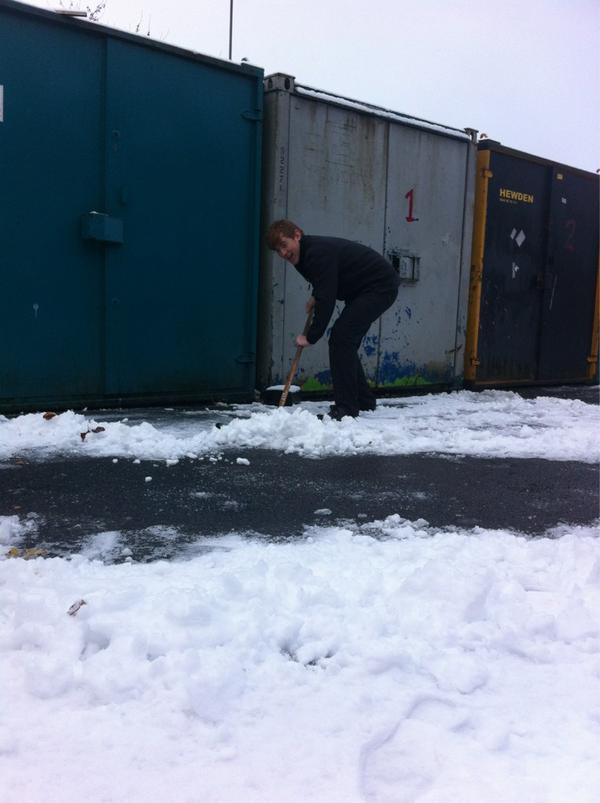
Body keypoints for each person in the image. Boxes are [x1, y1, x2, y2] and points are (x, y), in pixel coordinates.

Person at [266, 220, 400, 420]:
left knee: (341, 338)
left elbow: (327, 299)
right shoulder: (302, 255)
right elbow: (326, 280)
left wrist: (311, 336)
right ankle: (363, 400)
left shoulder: (316, 253)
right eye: (278, 250)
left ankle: (346, 407)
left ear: (297, 235)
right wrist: (316, 295)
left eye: (284, 245)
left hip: (379, 286)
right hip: (362, 290)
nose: (283, 253)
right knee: (345, 340)